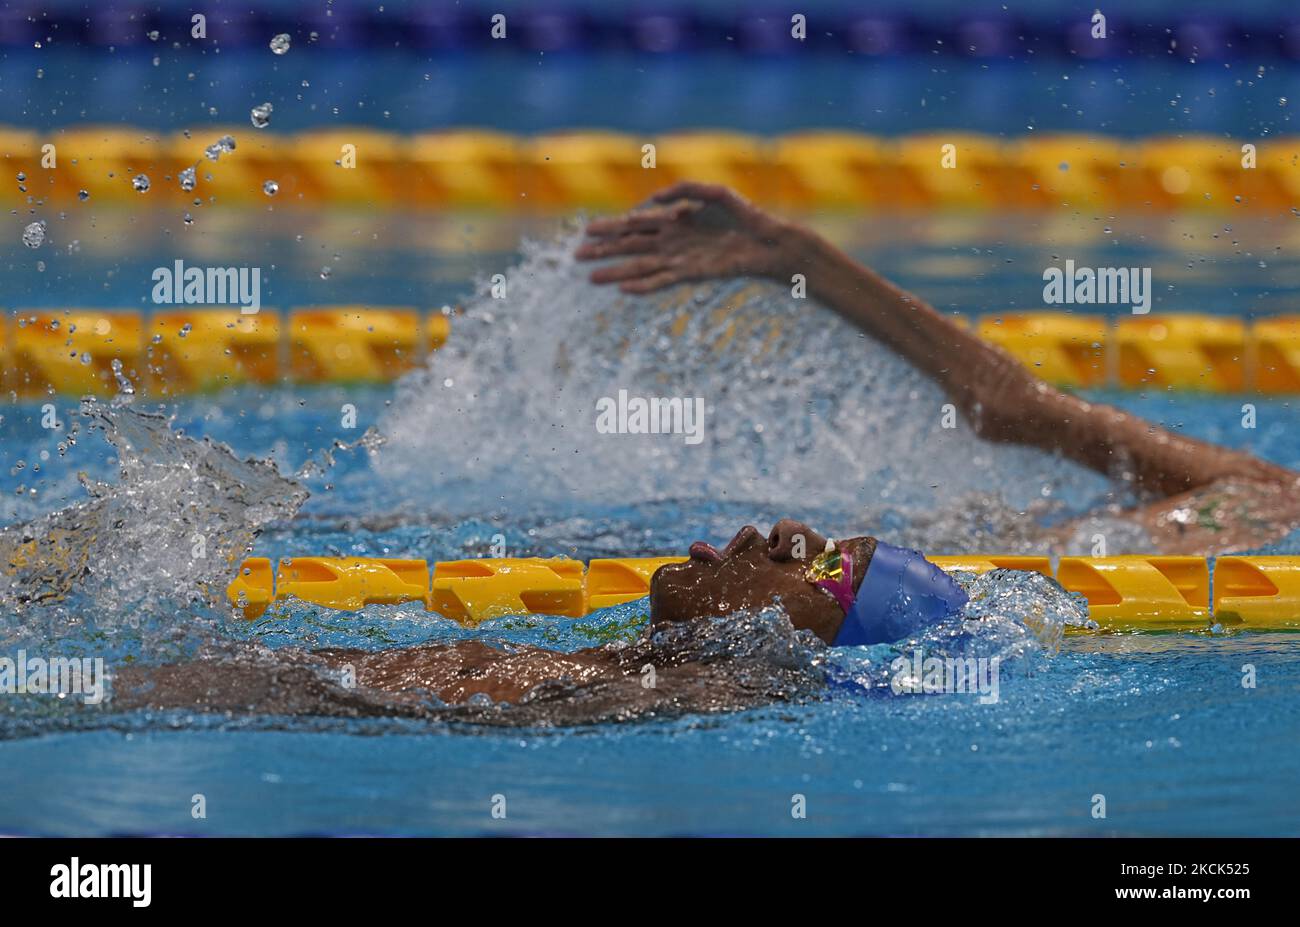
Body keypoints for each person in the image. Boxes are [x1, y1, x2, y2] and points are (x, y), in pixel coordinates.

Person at [575, 182, 1300, 556]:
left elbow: (1011, 408)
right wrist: (798, 260)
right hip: (884, 570)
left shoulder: (1260, 499)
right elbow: (1011, 407)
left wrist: (802, 262)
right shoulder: (1264, 500)